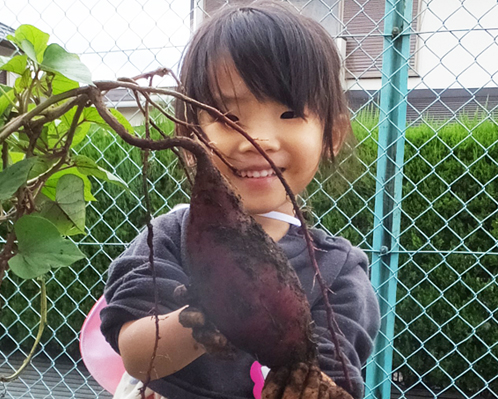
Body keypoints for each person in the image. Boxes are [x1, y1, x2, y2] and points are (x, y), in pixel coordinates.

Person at [100, 1, 380, 399]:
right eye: (229, 118)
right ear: (188, 135)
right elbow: (135, 352)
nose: (259, 141)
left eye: (289, 113)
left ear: (331, 135)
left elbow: (329, 380)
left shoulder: (338, 272)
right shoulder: (166, 238)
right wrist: (207, 318)